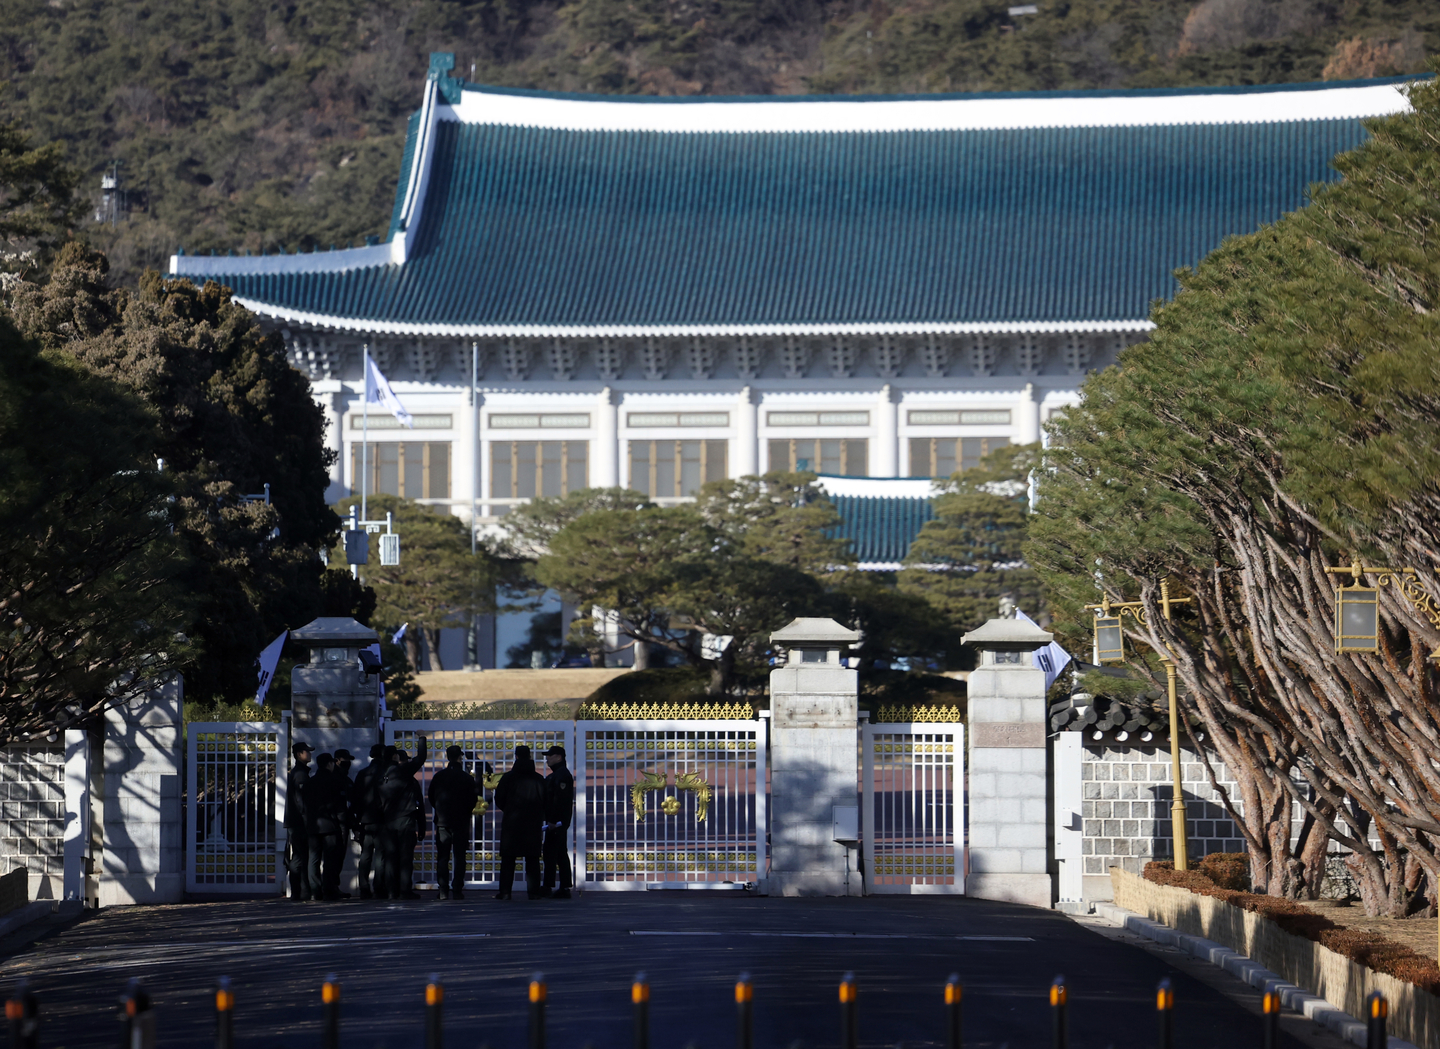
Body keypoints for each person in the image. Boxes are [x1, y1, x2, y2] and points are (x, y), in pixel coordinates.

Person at [493, 745, 545, 900]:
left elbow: (499, 798)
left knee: (508, 859)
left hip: (512, 822)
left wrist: (509, 810)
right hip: (532, 823)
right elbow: (545, 800)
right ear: (530, 757)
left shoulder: (508, 778)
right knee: (532, 859)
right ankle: (533, 892)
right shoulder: (538, 779)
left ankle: (505, 892)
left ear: (516, 757)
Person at [378, 736, 428, 899]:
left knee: (390, 857)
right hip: (405, 819)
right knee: (405, 857)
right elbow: (421, 758)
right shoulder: (403, 772)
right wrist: (422, 738)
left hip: (387, 821)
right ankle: (404, 890)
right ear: (395, 757)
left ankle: (391, 890)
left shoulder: (380, 774)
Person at [428, 745, 479, 899]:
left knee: (443, 857)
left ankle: (443, 889)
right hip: (461, 821)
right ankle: (457, 889)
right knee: (459, 857)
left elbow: (431, 797)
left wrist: (440, 810)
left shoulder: (439, 776)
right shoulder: (466, 778)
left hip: (443, 821)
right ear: (460, 757)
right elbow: (473, 799)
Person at [307, 753, 350, 901]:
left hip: (313, 825)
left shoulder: (310, 782)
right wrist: (342, 823)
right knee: (330, 859)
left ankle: (315, 890)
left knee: (314, 858)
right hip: (330, 825)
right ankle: (329, 889)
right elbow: (340, 806)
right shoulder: (334, 781)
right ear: (330, 764)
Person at [539, 745, 575, 899]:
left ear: (559, 757)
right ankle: (558, 886)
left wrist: (553, 820)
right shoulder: (557, 775)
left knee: (555, 853)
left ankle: (556, 886)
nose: (547, 759)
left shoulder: (562, 776)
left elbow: (559, 801)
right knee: (555, 853)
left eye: (550, 756)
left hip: (557, 822)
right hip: (556, 821)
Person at [351, 744, 386, 899]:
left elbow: (355, 798)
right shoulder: (384, 773)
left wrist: (358, 819)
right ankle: (378, 887)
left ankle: (364, 887)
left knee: (365, 855)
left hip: (365, 819)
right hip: (381, 819)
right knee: (380, 855)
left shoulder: (362, 773)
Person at [283, 742, 314, 901]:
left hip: (296, 822)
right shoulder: (300, 774)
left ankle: (299, 891)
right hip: (299, 823)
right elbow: (301, 802)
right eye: (307, 752)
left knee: (299, 856)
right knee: (299, 857)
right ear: (299, 754)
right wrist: (307, 821)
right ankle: (299, 891)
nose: (309, 754)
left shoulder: (299, 772)